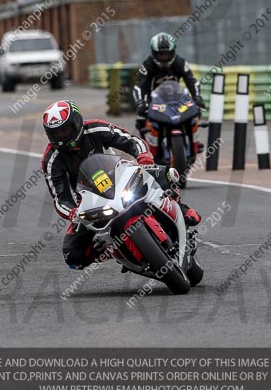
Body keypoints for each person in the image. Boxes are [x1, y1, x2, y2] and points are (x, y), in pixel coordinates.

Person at [41, 100, 202, 270]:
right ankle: (108, 250)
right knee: (71, 255)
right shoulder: (51, 160)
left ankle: (180, 208)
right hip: (90, 204)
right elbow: (60, 199)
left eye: (65, 130)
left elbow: (132, 140)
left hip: (120, 177)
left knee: (161, 173)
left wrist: (144, 157)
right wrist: (74, 213)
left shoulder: (96, 129)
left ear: (77, 123)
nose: (62, 136)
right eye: (56, 133)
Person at [132, 32, 206, 132]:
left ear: (173, 52)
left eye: (167, 54)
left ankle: (195, 144)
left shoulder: (180, 62)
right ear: (154, 53)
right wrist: (141, 103)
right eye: (161, 54)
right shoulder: (147, 65)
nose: (164, 58)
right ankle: (149, 144)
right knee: (141, 121)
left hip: (177, 99)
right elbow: (140, 86)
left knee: (195, 115)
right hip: (154, 102)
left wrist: (197, 97)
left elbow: (191, 81)